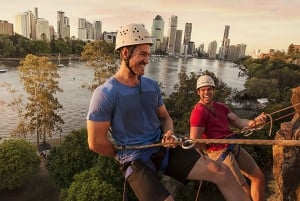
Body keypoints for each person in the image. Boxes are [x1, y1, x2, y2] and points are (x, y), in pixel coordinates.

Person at [87, 23, 250, 201]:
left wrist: (169, 132)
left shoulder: (151, 86)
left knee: (220, 171)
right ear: (125, 53)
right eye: (142, 54)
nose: (147, 60)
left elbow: (165, 117)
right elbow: (95, 142)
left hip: (162, 147)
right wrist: (120, 154)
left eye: (148, 54)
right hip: (134, 158)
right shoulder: (105, 94)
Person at [189, 74, 266, 201]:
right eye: (203, 90)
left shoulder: (221, 107)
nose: (206, 92)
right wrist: (209, 151)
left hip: (232, 145)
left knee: (258, 177)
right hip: (219, 152)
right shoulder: (198, 112)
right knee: (243, 191)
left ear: (214, 90)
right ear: (198, 92)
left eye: (209, 89)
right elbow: (195, 140)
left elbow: (239, 122)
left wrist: (256, 122)